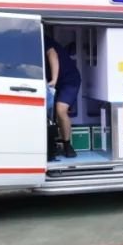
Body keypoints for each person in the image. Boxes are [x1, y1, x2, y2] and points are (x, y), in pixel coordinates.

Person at [45, 28, 82, 158]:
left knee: (60, 109)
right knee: (50, 113)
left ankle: (67, 145)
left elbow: (52, 54)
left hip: (69, 79)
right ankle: (53, 145)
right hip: (53, 82)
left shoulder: (43, 39)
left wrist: (54, 80)